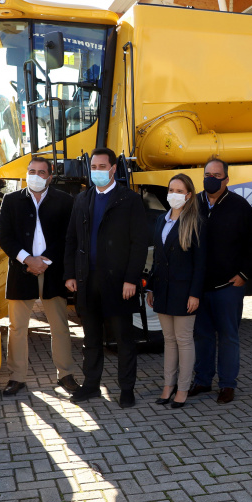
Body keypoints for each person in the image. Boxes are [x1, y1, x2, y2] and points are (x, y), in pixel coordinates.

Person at [63, 147, 147, 408]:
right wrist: (70, 275)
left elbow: (139, 243)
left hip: (119, 283)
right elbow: (72, 239)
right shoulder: (82, 199)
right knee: (91, 339)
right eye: (94, 167)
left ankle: (127, 389)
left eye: (102, 167)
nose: (97, 171)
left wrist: (132, 279)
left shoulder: (128, 200)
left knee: (124, 339)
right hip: (88, 281)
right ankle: (90, 386)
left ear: (113, 169)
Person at [0, 157, 77, 396]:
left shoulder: (64, 200)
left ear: (50, 176)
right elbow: (4, 237)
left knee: (60, 326)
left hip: (53, 272)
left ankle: (66, 375)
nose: (36, 175)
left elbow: (67, 236)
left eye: (42, 172)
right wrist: (27, 259)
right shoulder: (11, 200)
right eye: (32, 171)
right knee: (17, 327)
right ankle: (17, 377)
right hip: (23, 271)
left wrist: (45, 261)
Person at [188, 157, 252, 404]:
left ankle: (227, 385)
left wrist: (244, 275)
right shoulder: (193, 203)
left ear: (227, 179)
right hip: (199, 287)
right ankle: (203, 380)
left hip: (229, 286)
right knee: (202, 335)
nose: (211, 178)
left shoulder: (240, 206)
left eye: (217, 175)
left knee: (229, 336)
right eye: (208, 174)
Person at [146, 174, 206, 409]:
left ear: (189, 195)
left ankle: (182, 389)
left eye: (180, 191)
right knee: (169, 341)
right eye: (171, 189)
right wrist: (151, 286)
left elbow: (200, 264)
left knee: (183, 340)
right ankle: (168, 386)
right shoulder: (161, 219)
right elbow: (157, 258)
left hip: (184, 292)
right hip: (162, 289)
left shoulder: (196, 221)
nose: (174, 194)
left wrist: (195, 294)